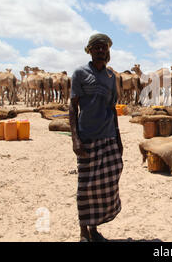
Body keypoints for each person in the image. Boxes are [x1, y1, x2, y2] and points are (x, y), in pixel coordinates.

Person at [69, 33, 123, 242]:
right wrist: (75, 139)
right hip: (88, 137)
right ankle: (83, 231)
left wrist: (118, 139)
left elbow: (112, 109)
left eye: (104, 48)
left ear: (107, 51)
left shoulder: (111, 77)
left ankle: (94, 229)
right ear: (89, 50)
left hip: (108, 136)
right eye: (97, 47)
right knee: (86, 187)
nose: (101, 50)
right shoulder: (80, 73)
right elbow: (73, 108)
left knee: (106, 183)